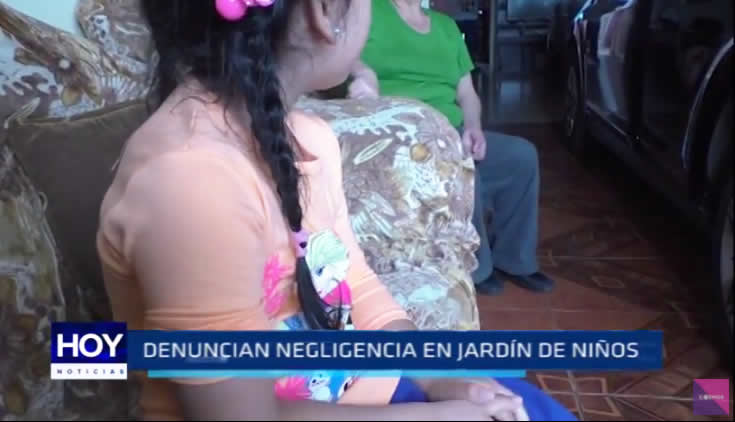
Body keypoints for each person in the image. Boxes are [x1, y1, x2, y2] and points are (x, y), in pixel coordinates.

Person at [97, 0, 574, 420]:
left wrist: (436, 378)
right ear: (323, 12)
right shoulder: (189, 185)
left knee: (522, 401)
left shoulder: (310, 139)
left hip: (361, 391)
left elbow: (355, 284)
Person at [350, 0, 556, 296]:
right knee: (462, 166)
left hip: (452, 131)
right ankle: (477, 268)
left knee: (521, 156)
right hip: (402, 134)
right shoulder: (367, 10)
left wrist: (473, 127)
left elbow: (467, 94)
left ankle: (515, 260)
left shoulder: (446, 27)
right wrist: (363, 75)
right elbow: (340, 53)